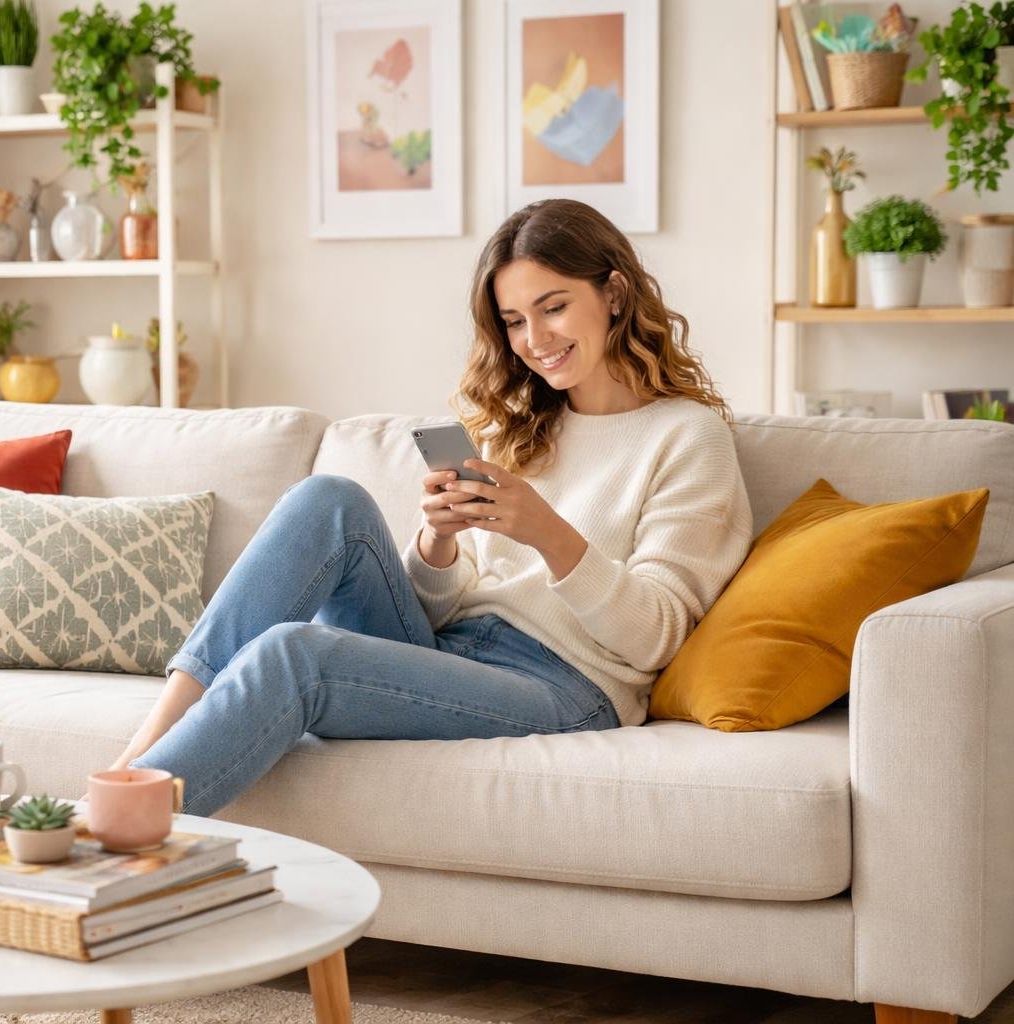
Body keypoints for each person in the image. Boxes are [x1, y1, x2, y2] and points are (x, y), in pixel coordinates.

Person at [110, 198, 754, 817]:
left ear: (613, 295)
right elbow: (441, 610)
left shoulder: (687, 437)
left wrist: (548, 533)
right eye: (514, 321)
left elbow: (657, 637)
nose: (534, 339)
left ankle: (117, 823)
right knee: (327, 498)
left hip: (566, 688)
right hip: (454, 653)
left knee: (294, 653)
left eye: (553, 307)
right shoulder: (524, 427)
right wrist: (437, 545)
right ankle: (138, 754)